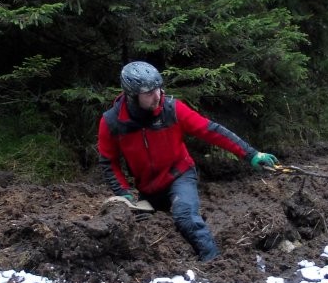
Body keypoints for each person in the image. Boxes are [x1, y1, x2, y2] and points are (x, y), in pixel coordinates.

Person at [97, 60, 278, 261]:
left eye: (158, 89)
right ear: (132, 96)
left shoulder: (172, 109)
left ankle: (214, 261)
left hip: (179, 174)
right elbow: (109, 162)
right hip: (148, 188)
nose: (157, 96)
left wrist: (251, 154)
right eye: (149, 93)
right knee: (142, 227)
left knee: (185, 217)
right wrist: (124, 194)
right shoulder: (112, 122)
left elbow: (211, 131)